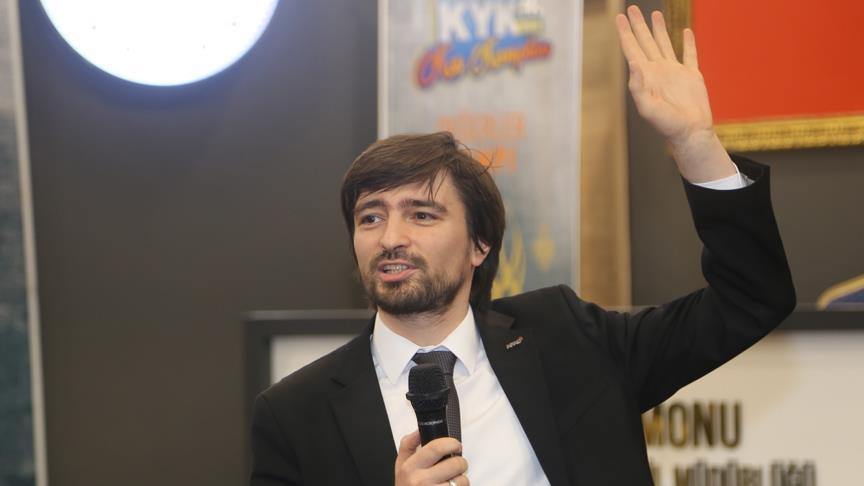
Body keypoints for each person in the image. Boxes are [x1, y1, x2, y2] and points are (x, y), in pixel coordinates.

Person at [250, 6, 795, 485]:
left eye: (422, 214)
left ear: (479, 245)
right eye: (371, 217)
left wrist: (695, 144)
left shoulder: (570, 340)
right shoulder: (296, 413)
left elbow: (750, 300)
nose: (391, 238)